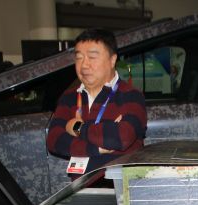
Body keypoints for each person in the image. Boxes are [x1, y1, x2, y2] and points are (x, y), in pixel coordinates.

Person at [46, 28, 146, 178]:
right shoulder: (69, 97)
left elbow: (121, 138)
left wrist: (77, 127)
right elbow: (54, 140)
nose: (84, 65)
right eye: (79, 57)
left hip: (119, 187)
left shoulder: (130, 95)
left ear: (112, 60)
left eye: (92, 57)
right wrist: (97, 148)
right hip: (81, 186)